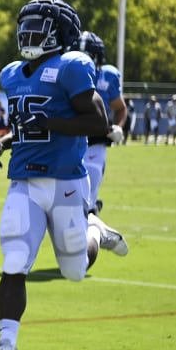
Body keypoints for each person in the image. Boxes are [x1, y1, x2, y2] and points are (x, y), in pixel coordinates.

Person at [0, 0, 129, 350]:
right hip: (25, 179)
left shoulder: (72, 66)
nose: (28, 33)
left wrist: (52, 125)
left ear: (60, 33)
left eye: (38, 26)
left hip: (66, 179)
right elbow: (28, 122)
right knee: (14, 259)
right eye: (25, 25)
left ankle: (96, 227)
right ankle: (7, 346)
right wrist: (2, 143)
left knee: (75, 269)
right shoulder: (12, 73)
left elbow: (97, 121)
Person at [71, 31, 127, 215]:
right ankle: (92, 212)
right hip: (68, 139)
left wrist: (118, 126)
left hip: (95, 141)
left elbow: (120, 108)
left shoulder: (106, 77)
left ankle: (91, 213)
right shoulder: (63, 74)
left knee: (91, 178)